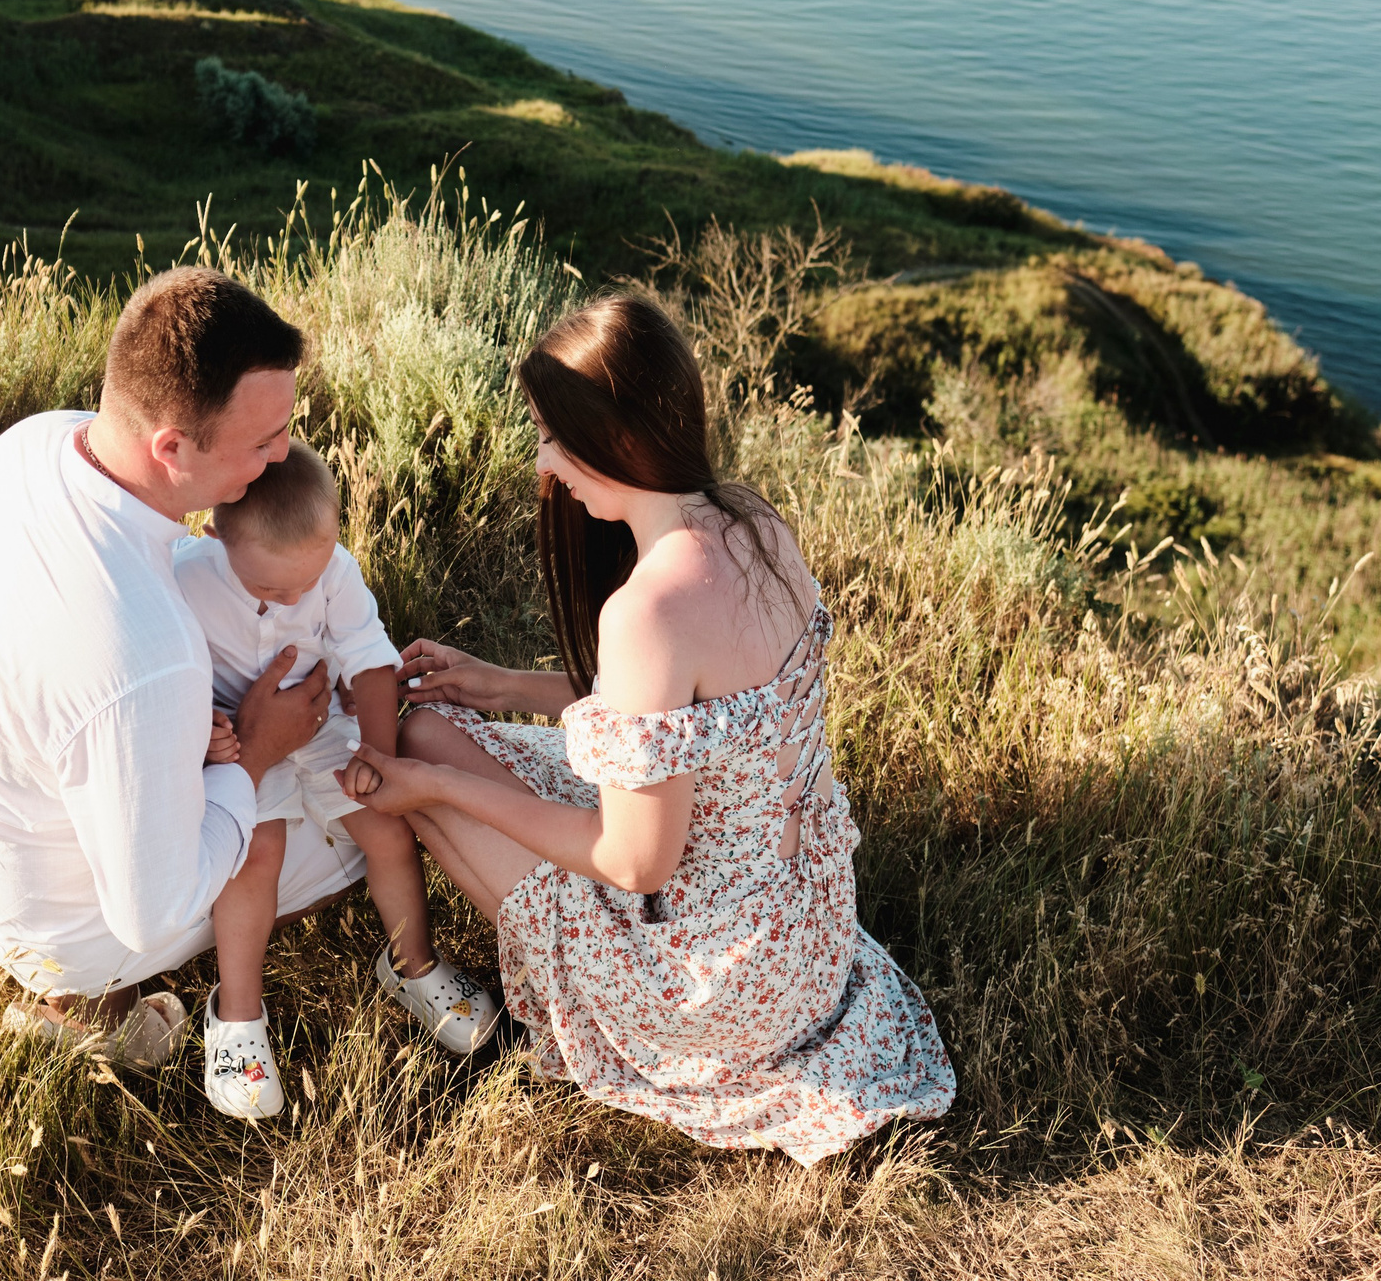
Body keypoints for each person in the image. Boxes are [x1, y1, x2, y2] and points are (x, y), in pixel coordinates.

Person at [342, 294, 955, 1163]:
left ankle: (451, 979)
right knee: (442, 726)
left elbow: (636, 861)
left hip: (716, 982)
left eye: (554, 436)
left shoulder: (650, 607)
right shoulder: (753, 522)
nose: (546, 460)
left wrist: (435, 790)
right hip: (808, 928)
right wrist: (502, 684)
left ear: (617, 439)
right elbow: (690, 717)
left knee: (423, 750)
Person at [0, 267, 350, 1063]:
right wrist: (258, 748)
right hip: (67, 927)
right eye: (262, 440)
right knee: (359, 822)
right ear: (172, 446)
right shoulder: (147, 654)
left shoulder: (32, 444)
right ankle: (96, 1005)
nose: (284, 458)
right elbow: (155, 908)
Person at [174, 443, 496, 1120]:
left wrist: (378, 758)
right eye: (272, 590)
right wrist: (204, 727)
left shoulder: (335, 572)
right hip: (241, 738)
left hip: (320, 725)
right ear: (216, 534)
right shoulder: (186, 578)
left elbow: (369, 662)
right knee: (252, 851)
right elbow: (172, 674)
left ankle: (414, 964)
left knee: (386, 825)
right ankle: (237, 1020)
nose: (295, 598)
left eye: (307, 581)